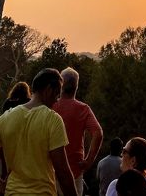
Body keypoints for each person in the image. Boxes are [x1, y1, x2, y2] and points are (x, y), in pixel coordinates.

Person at [0, 68, 77, 196]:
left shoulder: (7, 117)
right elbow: (63, 172)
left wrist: (1, 186)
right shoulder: (52, 120)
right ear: (48, 90)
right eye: (57, 94)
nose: (57, 100)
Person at [53, 68, 103, 196]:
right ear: (76, 87)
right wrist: (89, 161)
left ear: (61, 85)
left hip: (50, 170)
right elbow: (98, 133)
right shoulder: (83, 109)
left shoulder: (51, 106)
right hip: (74, 170)